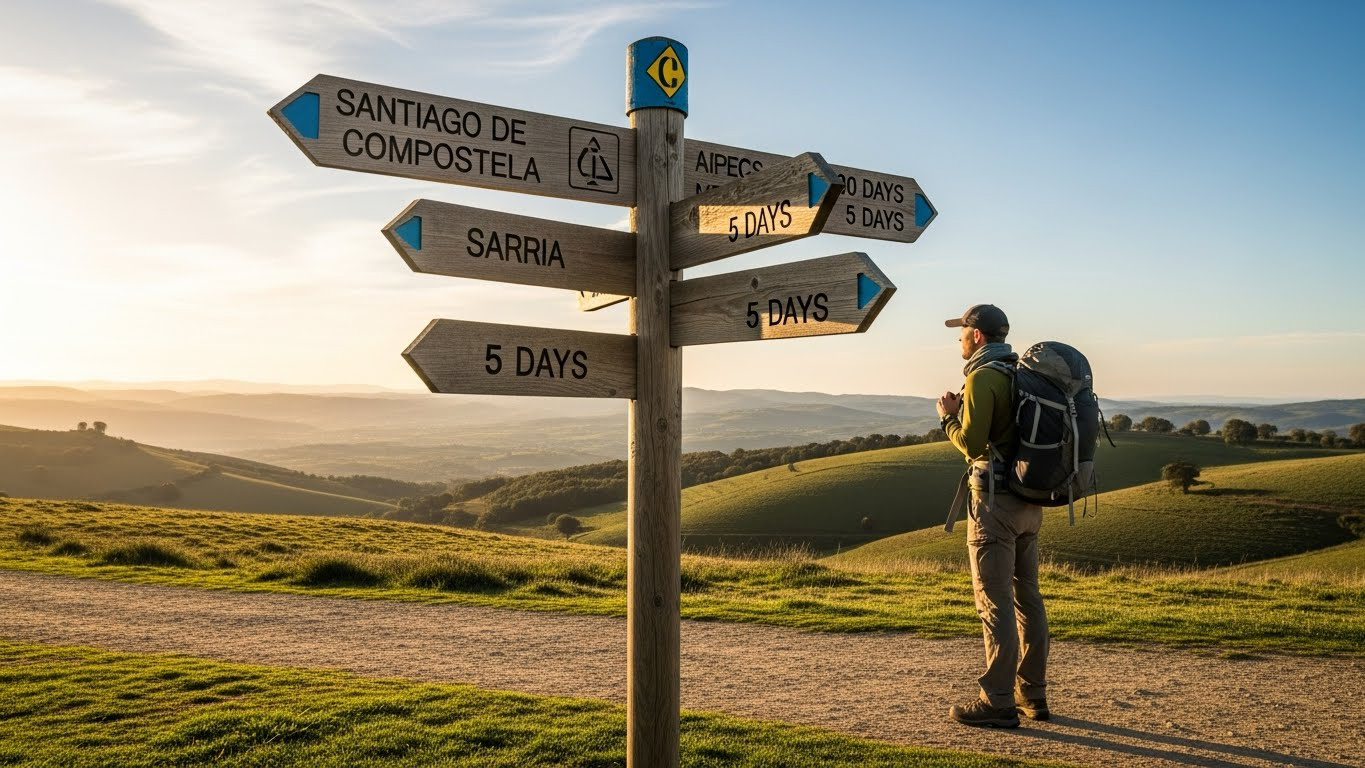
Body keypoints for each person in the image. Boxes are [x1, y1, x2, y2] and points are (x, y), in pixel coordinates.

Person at [936, 304, 1049, 728]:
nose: (958, 339)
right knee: (1028, 599)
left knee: (994, 601)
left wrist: (947, 417)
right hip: (1030, 500)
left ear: (977, 336)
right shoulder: (1020, 372)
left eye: (961, 333)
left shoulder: (983, 376)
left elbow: (971, 444)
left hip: (995, 503)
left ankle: (997, 701)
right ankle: (1032, 694)